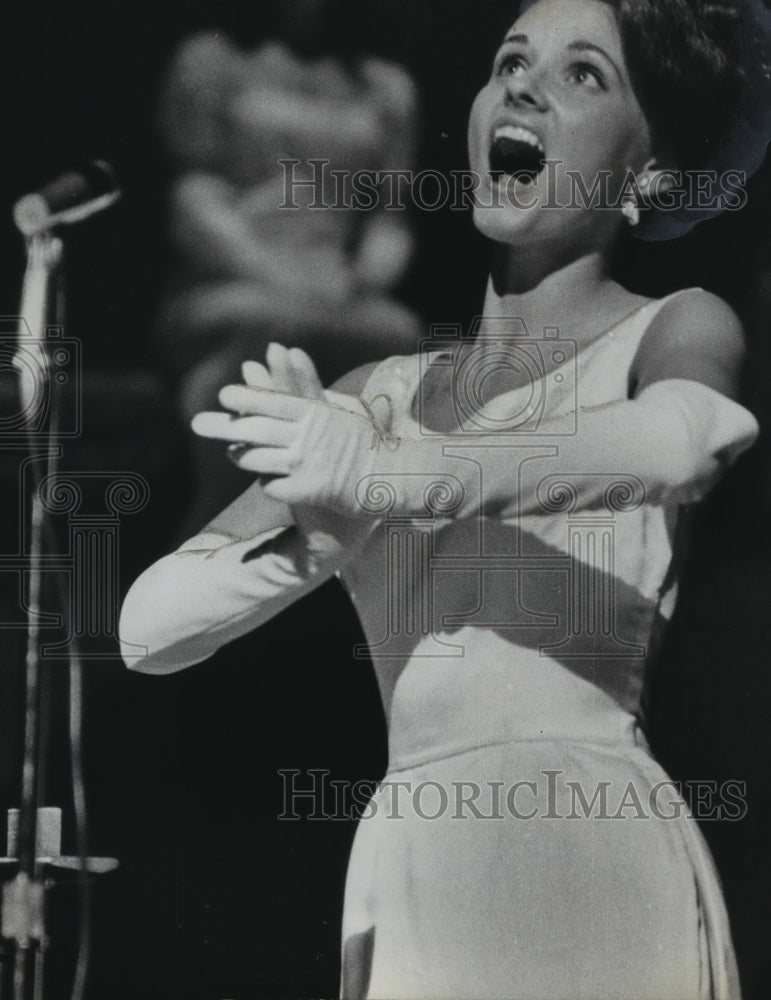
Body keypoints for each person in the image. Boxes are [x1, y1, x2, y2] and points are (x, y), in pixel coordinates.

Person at [120, 0, 767, 996]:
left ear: (648, 173)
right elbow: (146, 629)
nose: (523, 83)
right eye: (511, 58)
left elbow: (692, 440)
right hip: (420, 863)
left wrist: (387, 473)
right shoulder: (374, 399)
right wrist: (327, 529)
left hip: (590, 850)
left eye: (583, 73)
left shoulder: (675, 326)